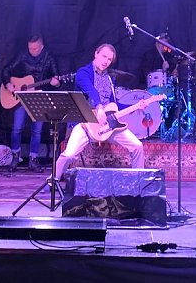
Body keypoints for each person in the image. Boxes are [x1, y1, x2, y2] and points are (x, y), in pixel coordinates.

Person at [54, 43, 147, 182]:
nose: (106, 61)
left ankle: (137, 182)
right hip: (86, 122)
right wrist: (99, 107)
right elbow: (90, 91)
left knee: (137, 146)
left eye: (109, 59)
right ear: (96, 54)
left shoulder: (109, 79)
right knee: (69, 155)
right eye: (104, 56)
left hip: (107, 125)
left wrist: (135, 106)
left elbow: (114, 104)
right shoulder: (83, 73)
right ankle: (53, 179)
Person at [1, 34, 60, 172]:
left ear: (42, 47)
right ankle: (15, 156)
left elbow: (57, 78)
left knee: (37, 130)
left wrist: (56, 82)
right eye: (30, 48)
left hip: (39, 97)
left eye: (34, 48)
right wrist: (8, 83)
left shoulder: (49, 58)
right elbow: (6, 69)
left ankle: (33, 159)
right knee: (17, 128)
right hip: (22, 97)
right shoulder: (23, 55)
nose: (31, 51)